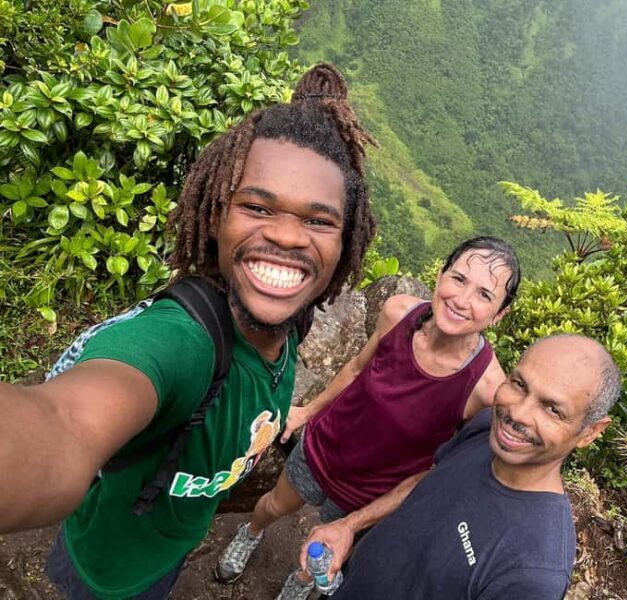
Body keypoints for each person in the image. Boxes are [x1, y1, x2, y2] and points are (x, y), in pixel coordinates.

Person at [0, 63, 378, 599]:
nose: (288, 237)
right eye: (256, 206)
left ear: (345, 245)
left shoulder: (287, 320)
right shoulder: (182, 343)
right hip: (107, 572)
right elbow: (63, 422)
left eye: (318, 221)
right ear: (215, 215)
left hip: (171, 545)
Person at [215, 236, 521, 597]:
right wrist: (307, 412)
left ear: (500, 314)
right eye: (458, 279)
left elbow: (442, 468)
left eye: (485, 295)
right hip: (325, 446)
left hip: (374, 490)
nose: (462, 300)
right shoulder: (398, 313)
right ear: (440, 276)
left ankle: (303, 579)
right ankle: (250, 532)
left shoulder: (486, 390)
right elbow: (359, 368)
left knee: (329, 552)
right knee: (273, 505)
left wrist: (366, 518)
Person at [299, 334, 621, 599]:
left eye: (552, 409)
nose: (518, 414)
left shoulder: (534, 569)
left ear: (591, 431)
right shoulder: (487, 429)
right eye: (519, 384)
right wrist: (350, 525)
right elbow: (432, 479)